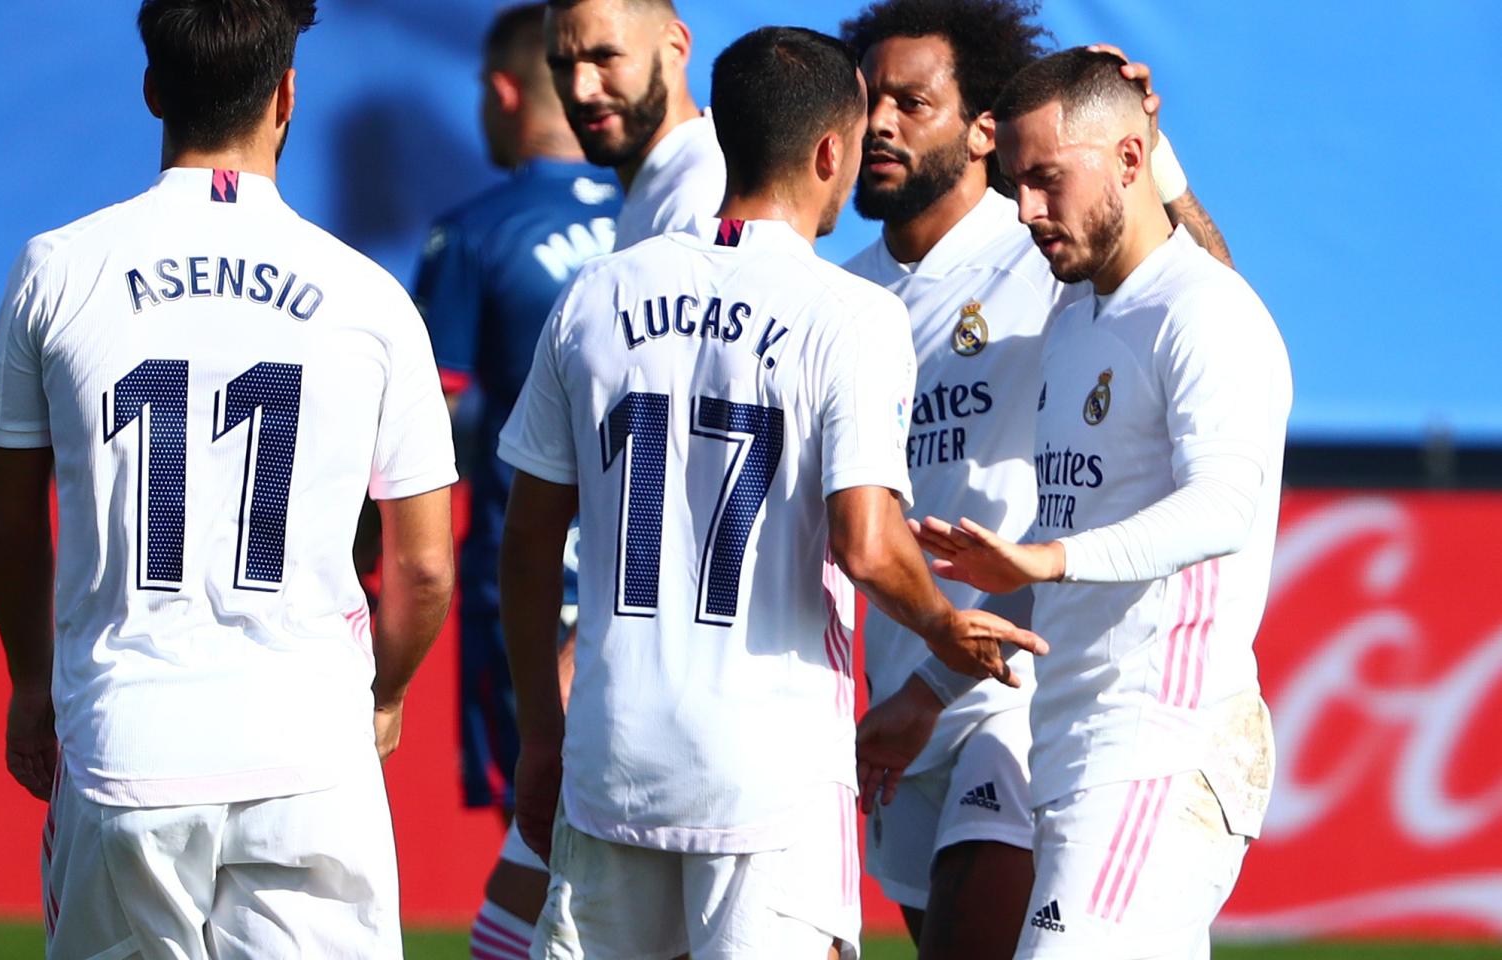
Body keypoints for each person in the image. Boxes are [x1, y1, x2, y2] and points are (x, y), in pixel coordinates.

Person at [496, 26, 1044, 960]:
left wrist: (542, 737)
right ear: (831, 152)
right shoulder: (849, 312)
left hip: (611, 758)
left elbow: (528, 542)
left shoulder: (596, 294)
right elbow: (867, 545)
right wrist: (944, 626)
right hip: (770, 775)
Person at [0, 2, 457, 956]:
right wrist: (386, 694)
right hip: (311, 752)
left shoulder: (56, 269)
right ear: (286, 96)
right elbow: (427, 566)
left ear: (154, 88)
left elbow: (13, 522)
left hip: (129, 748)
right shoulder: (370, 296)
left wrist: (32, 681)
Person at [839, 4, 1235, 958]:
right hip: (904, 688)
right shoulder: (844, 299)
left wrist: (1157, 158)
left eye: (913, 101)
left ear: (983, 129)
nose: (882, 123)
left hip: (1012, 681)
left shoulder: (1043, 247)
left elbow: (1206, 289)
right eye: (869, 101)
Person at [910, 47, 1289, 958]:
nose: (1028, 210)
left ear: (1131, 159)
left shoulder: (1206, 311)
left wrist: (1047, 559)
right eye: (1014, 186)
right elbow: (1063, 535)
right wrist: (930, 689)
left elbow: (1222, 507)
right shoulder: (1079, 315)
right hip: (1078, 747)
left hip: (1163, 743)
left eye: (1046, 180)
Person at [411, 4, 621, 957]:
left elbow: (422, 430)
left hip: (530, 587)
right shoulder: (666, 225)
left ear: (502, 93)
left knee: (544, 830)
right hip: (659, 585)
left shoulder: (475, 235)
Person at [544, 0, 726, 246]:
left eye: (604, 57)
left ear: (675, 47)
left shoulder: (702, 202)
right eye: (561, 66)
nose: (581, 90)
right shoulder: (659, 193)